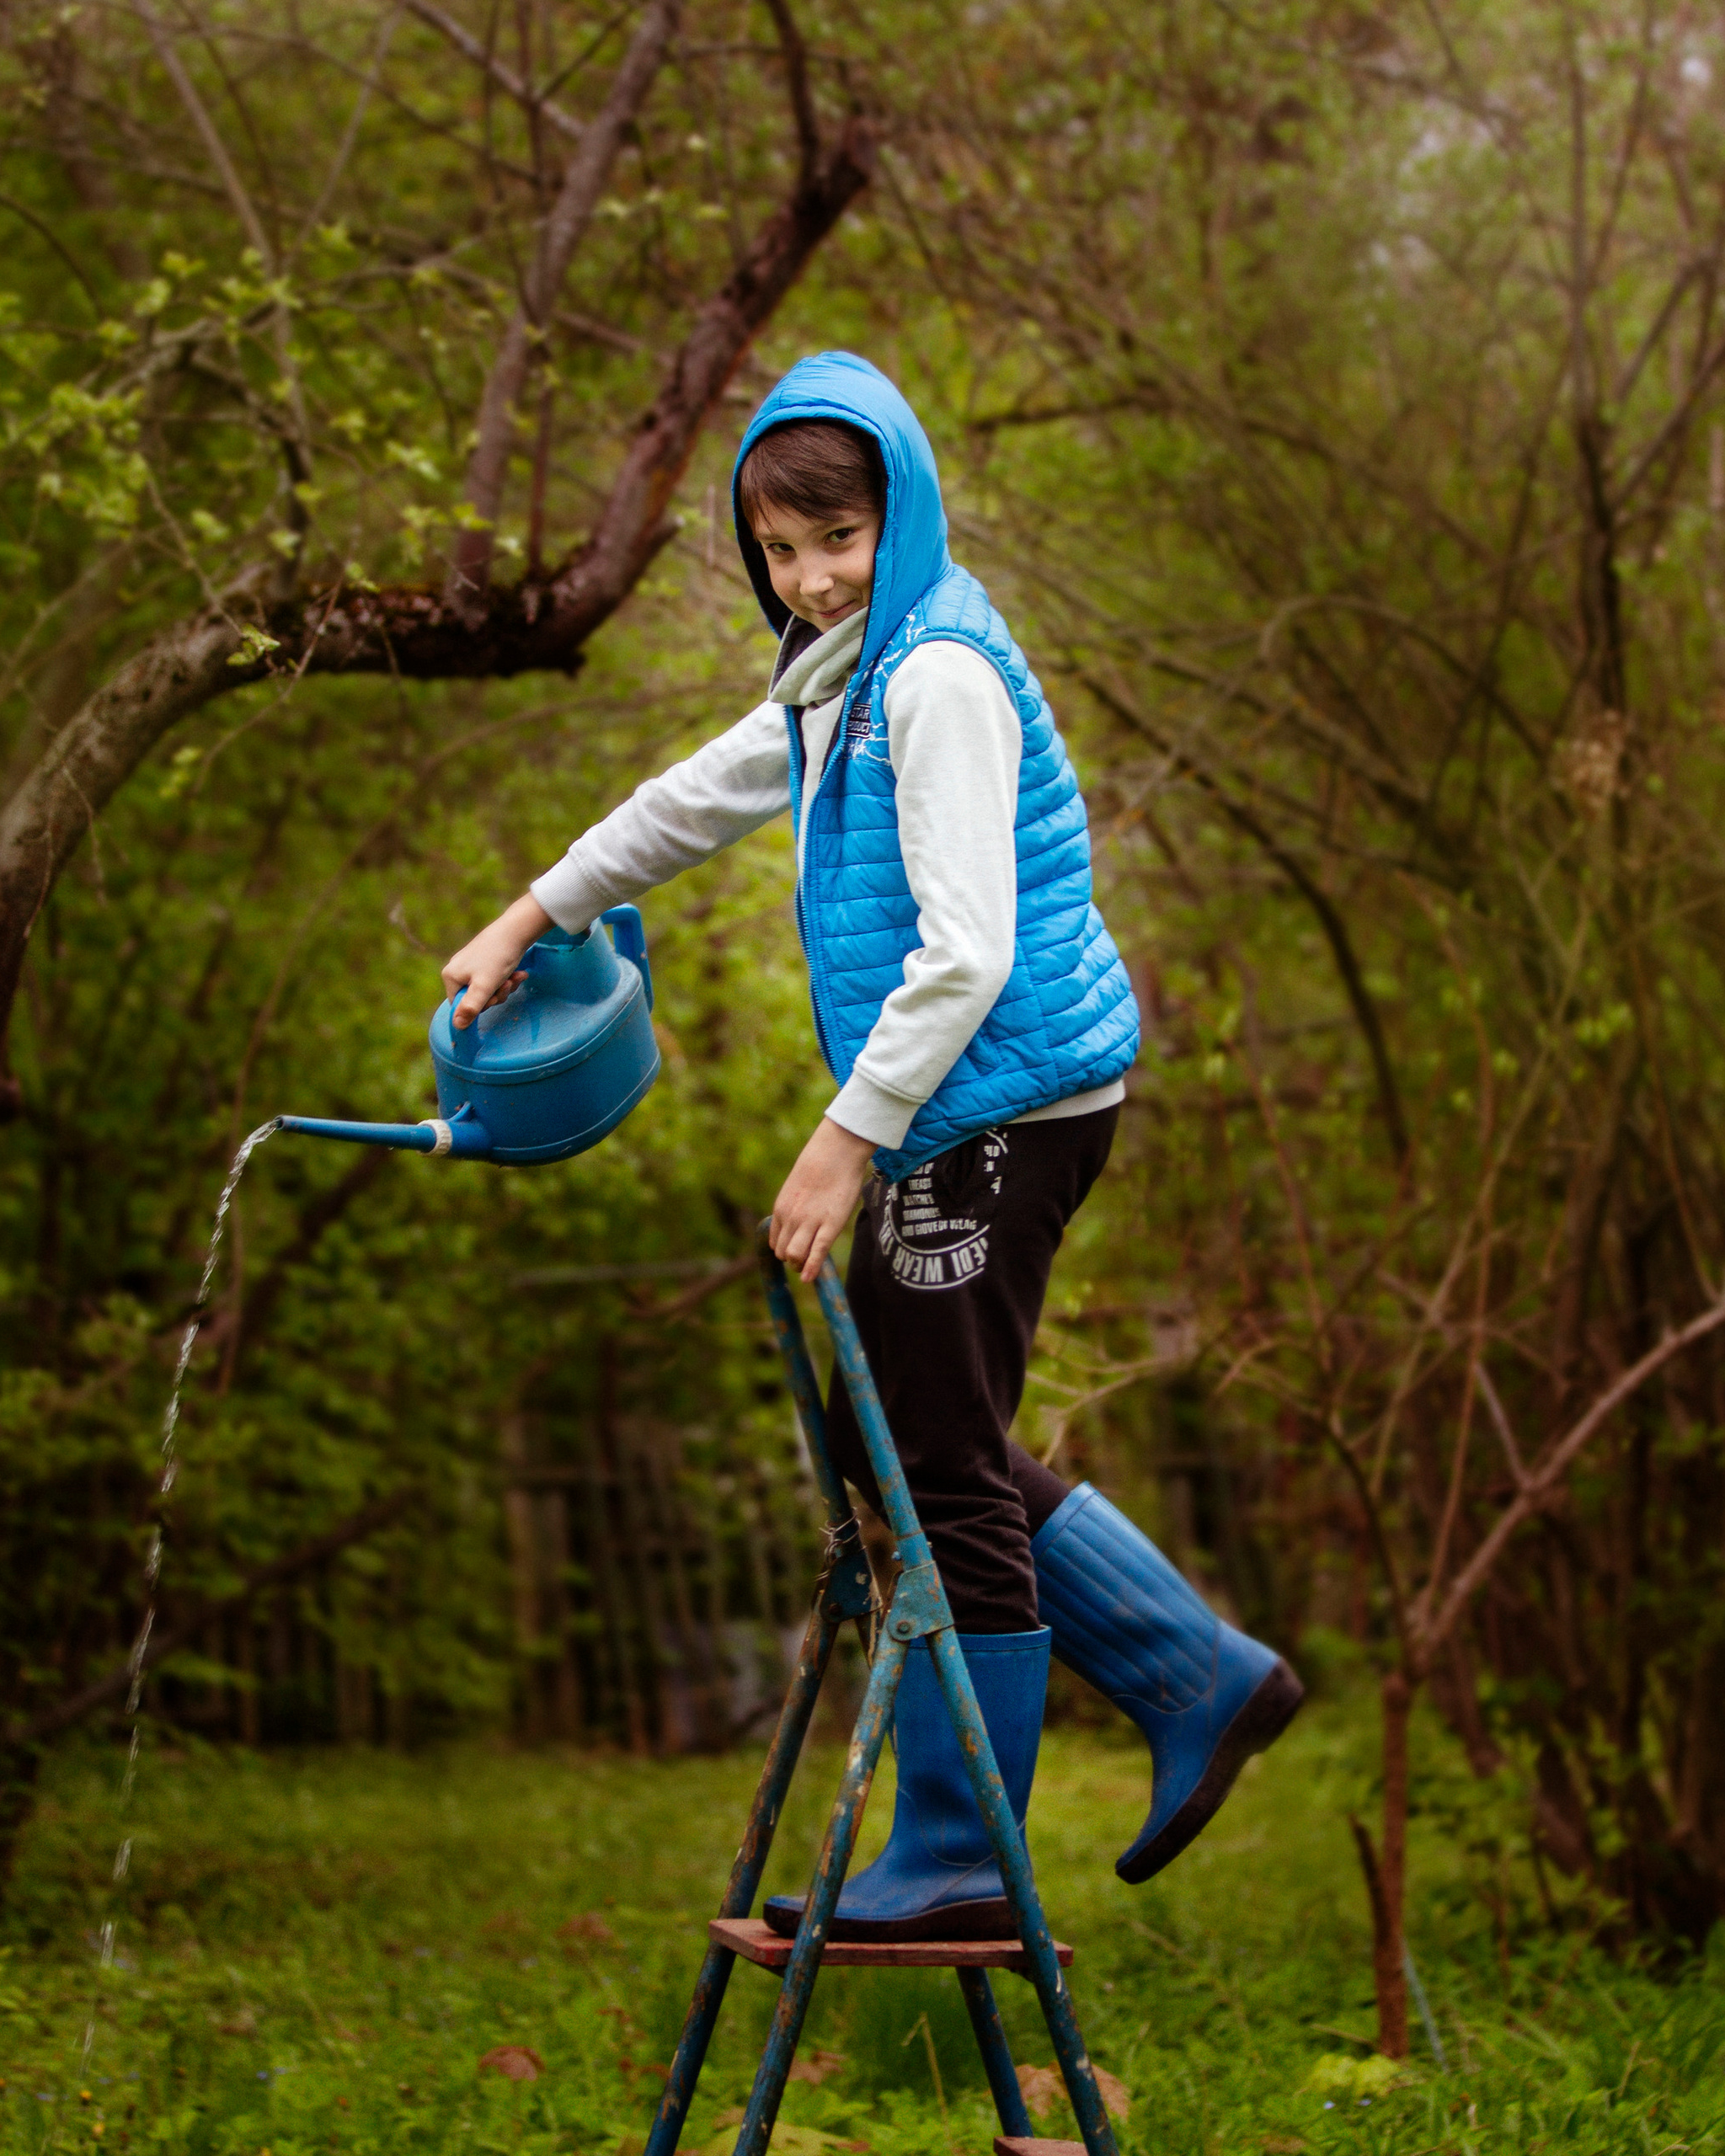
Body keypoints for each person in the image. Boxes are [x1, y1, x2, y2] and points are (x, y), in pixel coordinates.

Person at [442, 351, 1301, 1940]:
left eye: (838, 537)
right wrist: (531, 913)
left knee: (926, 1458)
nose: (810, 574)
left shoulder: (940, 679)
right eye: (779, 549)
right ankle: (1198, 1671)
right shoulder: (847, 675)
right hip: (974, 1105)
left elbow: (967, 952)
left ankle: (967, 1859)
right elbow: (690, 800)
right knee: (889, 1432)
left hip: (1003, 1108)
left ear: (899, 513)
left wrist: (845, 1144)